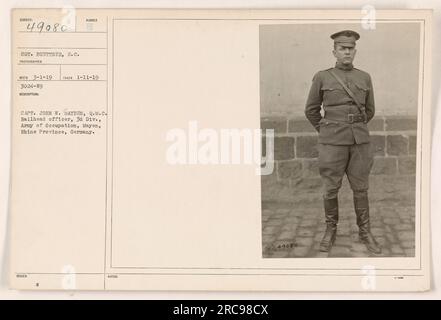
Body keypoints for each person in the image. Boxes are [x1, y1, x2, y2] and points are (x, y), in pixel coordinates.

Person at [304, 30, 381, 254]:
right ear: (334, 51)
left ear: (355, 51)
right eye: (342, 48)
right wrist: (327, 130)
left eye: (350, 49)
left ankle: (365, 232)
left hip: (359, 142)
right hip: (332, 143)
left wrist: (354, 126)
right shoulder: (322, 77)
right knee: (330, 189)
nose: (346, 52)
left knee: (361, 189)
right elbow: (311, 110)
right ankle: (330, 230)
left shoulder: (364, 77)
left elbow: (370, 110)